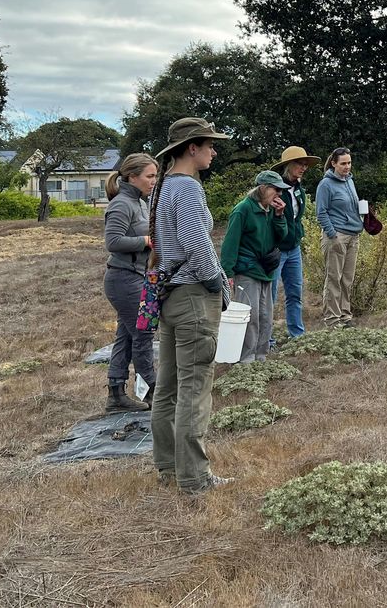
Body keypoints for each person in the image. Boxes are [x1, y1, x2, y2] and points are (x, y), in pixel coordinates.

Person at [148, 117, 234, 495]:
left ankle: (168, 465)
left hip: (169, 297)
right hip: (194, 296)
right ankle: (195, 478)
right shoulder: (187, 189)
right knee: (195, 388)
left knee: (167, 387)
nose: (214, 152)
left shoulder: (162, 187)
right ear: (191, 148)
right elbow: (196, 242)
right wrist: (217, 284)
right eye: (210, 145)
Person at [102, 152, 158, 413]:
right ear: (132, 177)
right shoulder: (121, 204)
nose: (154, 181)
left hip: (137, 276)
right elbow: (112, 242)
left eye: (155, 175)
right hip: (123, 279)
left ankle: (116, 395)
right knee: (143, 332)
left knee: (126, 334)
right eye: (150, 176)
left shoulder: (141, 202)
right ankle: (153, 394)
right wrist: (145, 241)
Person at [220, 171, 288, 362]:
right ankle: (246, 359)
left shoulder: (270, 210)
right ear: (263, 188)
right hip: (247, 270)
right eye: (276, 189)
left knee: (266, 316)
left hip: (266, 270)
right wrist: (228, 273)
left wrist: (279, 216)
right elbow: (230, 244)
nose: (279, 195)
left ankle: (261, 357)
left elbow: (281, 236)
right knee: (250, 316)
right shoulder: (243, 210)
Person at [270, 146, 321, 339]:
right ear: (288, 165)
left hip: (293, 249)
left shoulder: (299, 189)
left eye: (305, 164)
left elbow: (297, 218)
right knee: (271, 296)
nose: (304, 167)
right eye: (300, 163)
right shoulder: (274, 189)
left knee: (295, 293)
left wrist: (298, 235)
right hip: (276, 250)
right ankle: (267, 339)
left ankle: (297, 335)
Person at [315, 147, 363, 328]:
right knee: (334, 278)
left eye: (349, 163)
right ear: (333, 164)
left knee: (347, 279)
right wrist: (332, 234)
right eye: (343, 163)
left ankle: (345, 316)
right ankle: (332, 319)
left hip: (353, 235)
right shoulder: (325, 185)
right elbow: (321, 212)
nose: (347, 166)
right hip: (337, 236)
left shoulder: (349, 181)